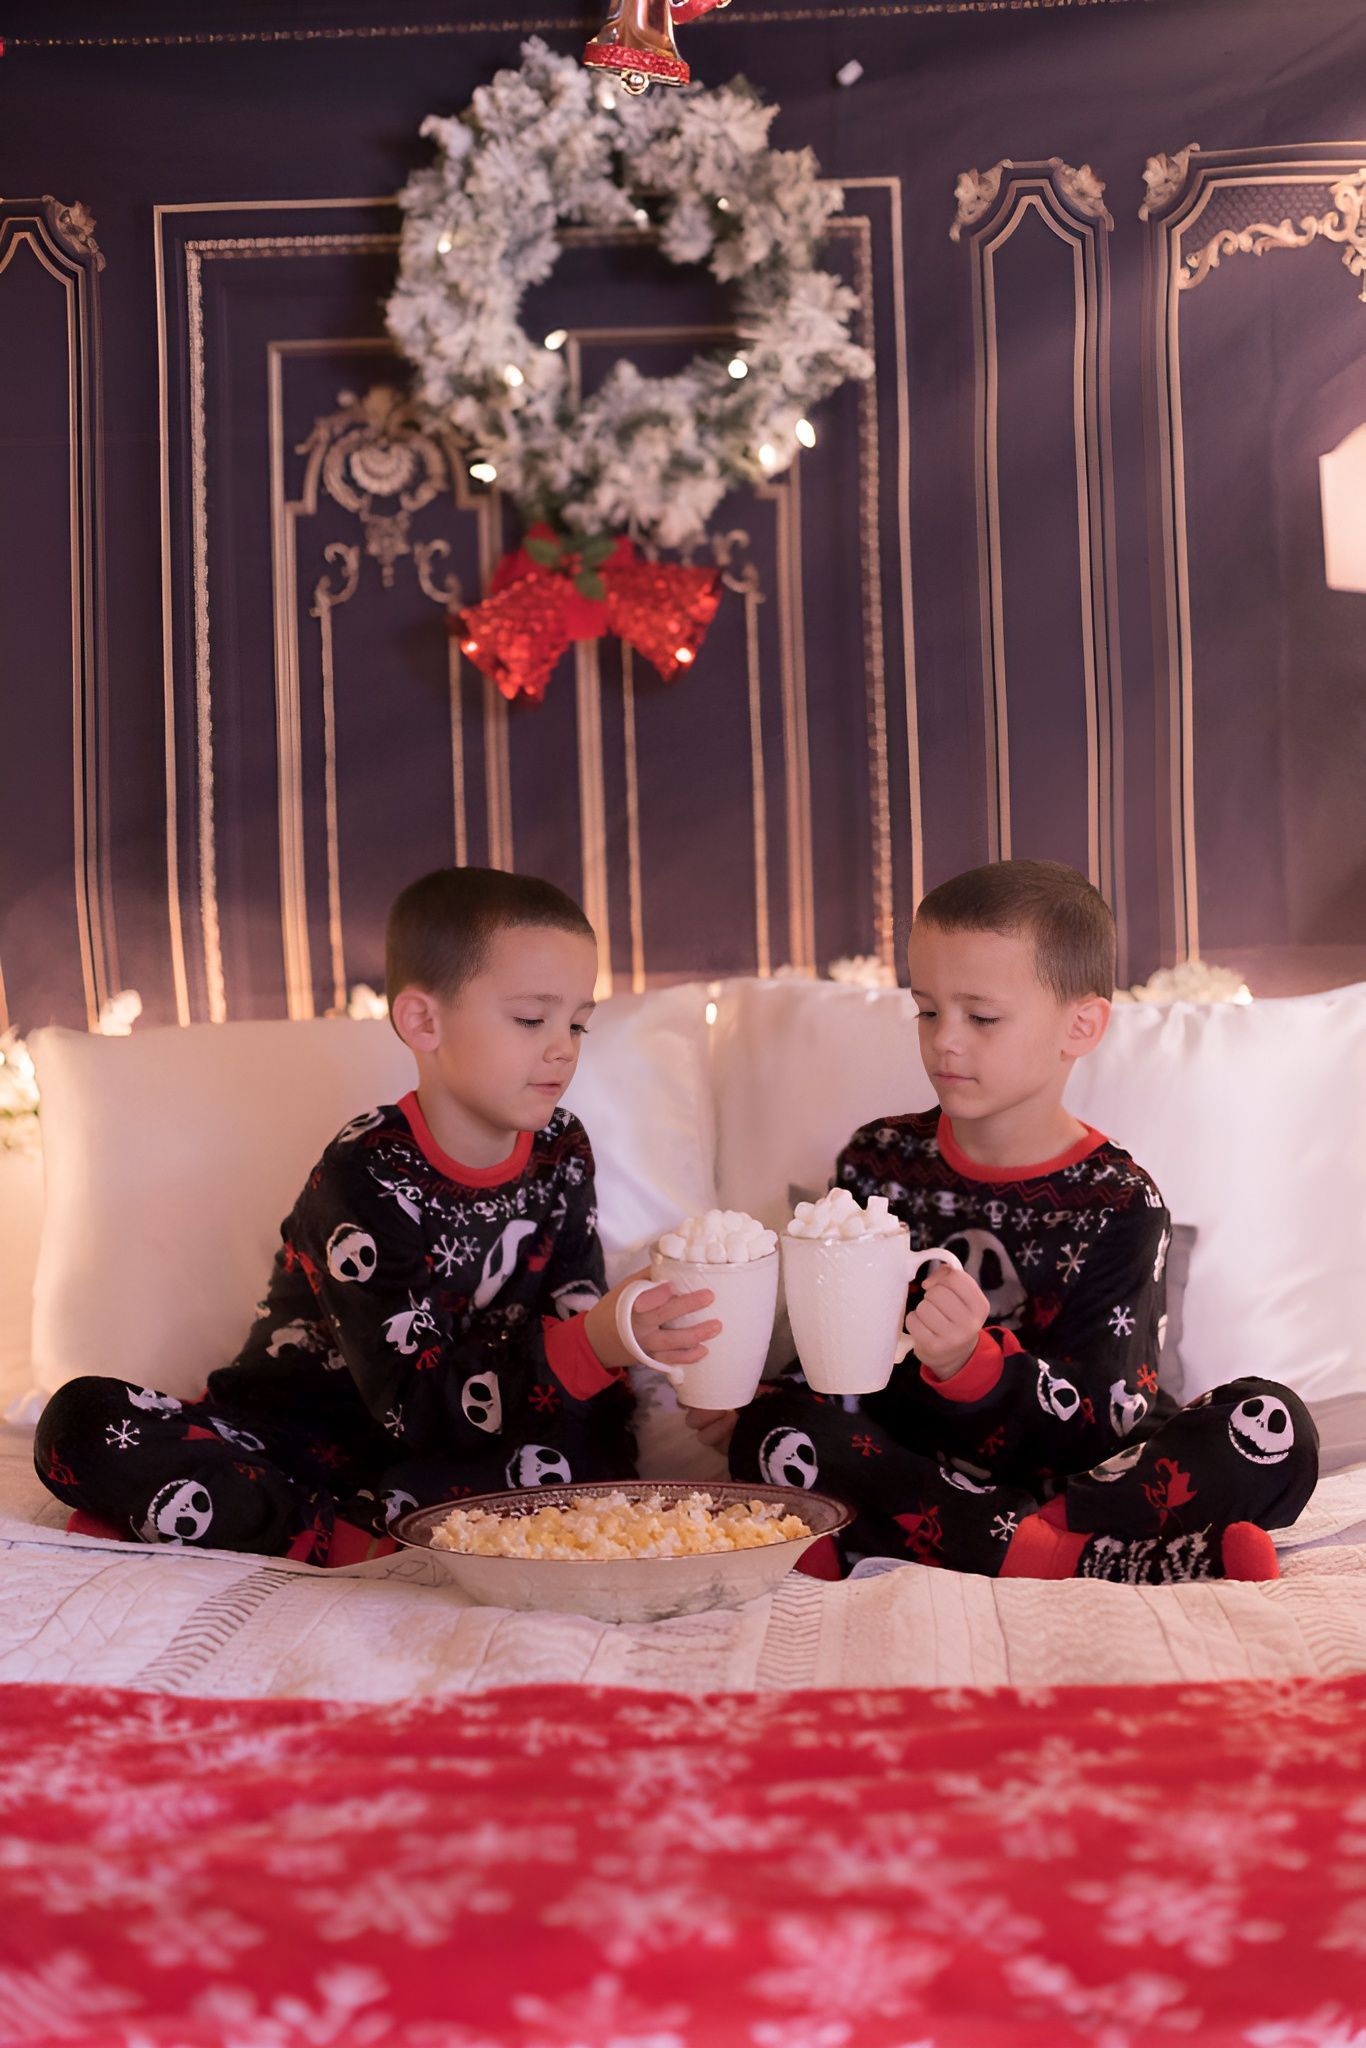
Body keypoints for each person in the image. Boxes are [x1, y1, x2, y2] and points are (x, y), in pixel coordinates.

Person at [35, 868, 717, 1564]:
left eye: (577, 1023)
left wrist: (613, 1374)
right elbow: (413, 1403)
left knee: (583, 1452)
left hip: (462, 1453)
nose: (563, 1047)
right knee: (82, 1421)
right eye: (531, 1019)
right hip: (306, 1439)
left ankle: (363, 1532)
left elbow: (572, 1319)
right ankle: (338, 1535)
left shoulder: (561, 1150)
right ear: (423, 1021)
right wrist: (591, 1342)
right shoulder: (366, 1173)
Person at [689, 859, 1318, 1583]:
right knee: (774, 1428)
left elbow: (1109, 1417)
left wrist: (973, 1365)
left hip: (1081, 1478)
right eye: (927, 1010)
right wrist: (746, 1404)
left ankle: (998, 1543)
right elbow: (841, 1369)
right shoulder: (879, 1160)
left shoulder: (1121, 1202)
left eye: (981, 1016)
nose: (945, 1040)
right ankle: (1086, 1559)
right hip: (915, 1462)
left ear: (1080, 1026)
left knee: (1273, 1428)